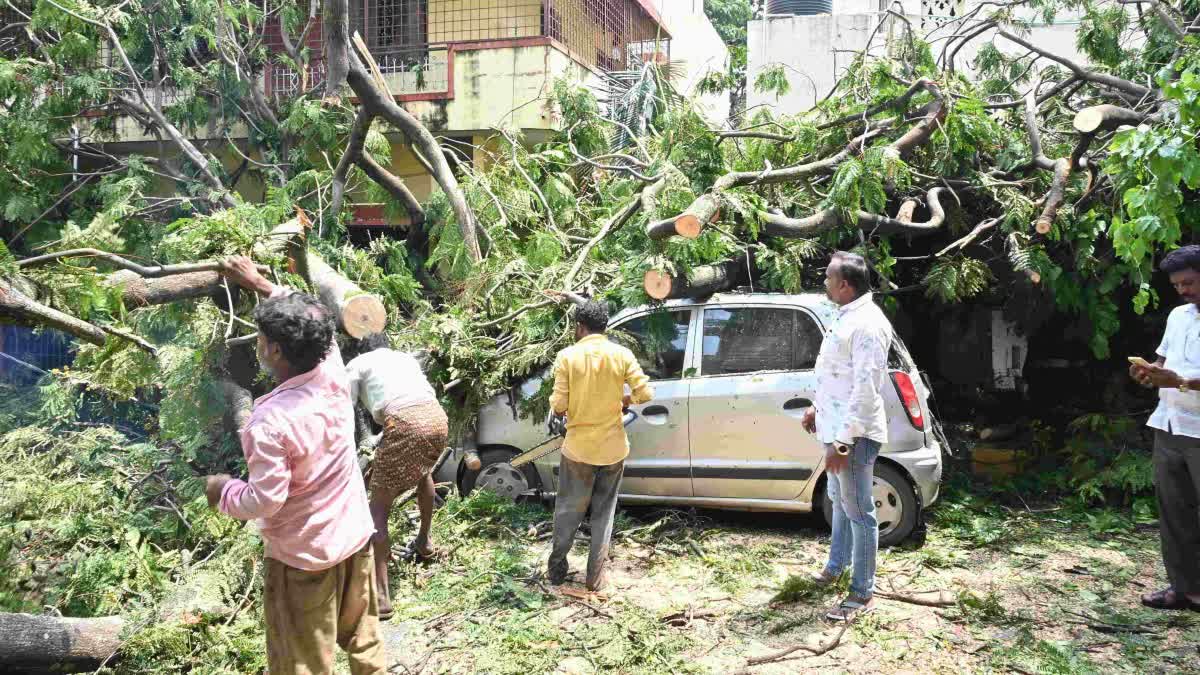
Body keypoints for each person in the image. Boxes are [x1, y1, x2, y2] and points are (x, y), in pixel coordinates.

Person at [203, 256, 385, 674]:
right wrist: (261, 284)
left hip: (304, 560)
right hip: (354, 541)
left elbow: (266, 499)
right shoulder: (333, 376)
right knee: (365, 642)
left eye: (261, 338)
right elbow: (314, 322)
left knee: (302, 662)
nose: (258, 344)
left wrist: (224, 492)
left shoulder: (268, 423)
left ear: (276, 350)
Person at [802, 251, 893, 622]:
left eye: (828, 277)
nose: (824, 282)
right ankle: (835, 568)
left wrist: (843, 443)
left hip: (852, 437)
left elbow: (865, 390)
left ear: (845, 285)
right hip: (835, 427)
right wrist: (815, 408)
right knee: (839, 503)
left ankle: (862, 592)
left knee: (860, 512)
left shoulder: (868, 324)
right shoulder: (847, 316)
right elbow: (837, 376)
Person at [546, 296, 654, 592]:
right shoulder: (622, 354)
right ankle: (595, 578)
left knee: (568, 510)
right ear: (603, 326)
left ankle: (556, 571)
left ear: (580, 327)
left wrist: (564, 406)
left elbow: (559, 404)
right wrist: (625, 400)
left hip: (578, 449)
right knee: (604, 515)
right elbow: (646, 393)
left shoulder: (568, 357)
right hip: (612, 450)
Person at [345, 332, 448, 620]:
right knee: (423, 472)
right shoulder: (404, 357)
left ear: (361, 347)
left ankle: (381, 595)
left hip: (404, 423)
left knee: (377, 508)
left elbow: (344, 408)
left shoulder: (358, 363)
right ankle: (425, 542)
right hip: (437, 418)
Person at [1128, 245, 1200, 614]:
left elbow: (1180, 376)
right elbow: (1164, 363)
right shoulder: (1179, 315)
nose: (1184, 290)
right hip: (1170, 423)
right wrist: (1148, 373)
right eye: (1177, 285)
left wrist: (1182, 380)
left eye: (1189, 282)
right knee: (1174, 512)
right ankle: (1185, 589)